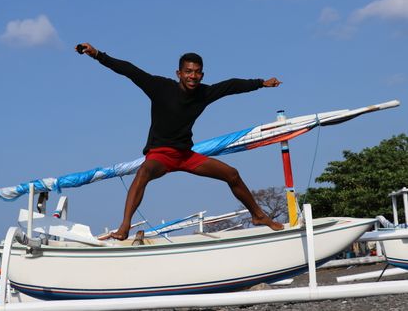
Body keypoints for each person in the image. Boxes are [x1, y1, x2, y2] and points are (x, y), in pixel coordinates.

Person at [76, 43, 284, 240]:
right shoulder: (159, 87)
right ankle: (125, 227)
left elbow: (230, 86)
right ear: (179, 73)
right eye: (188, 71)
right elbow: (129, 70)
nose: (192, 76)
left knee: (232, 174)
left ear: (202, 74)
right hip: (160, 155)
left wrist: (261, 83)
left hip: (185, 156)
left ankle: (258, 215)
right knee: (144, 172)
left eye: (197, 72)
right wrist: (97, 55)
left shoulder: (204, 93)